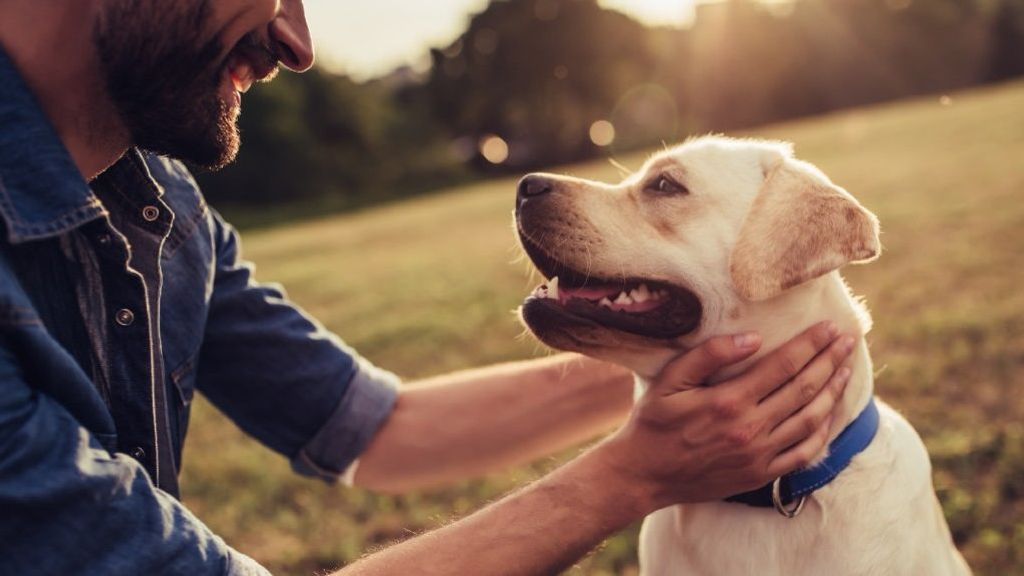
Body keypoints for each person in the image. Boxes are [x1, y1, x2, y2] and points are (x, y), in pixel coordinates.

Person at [0, 1, 856, 574]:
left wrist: (713, 357)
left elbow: (382, 430)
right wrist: (629, 478)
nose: (296, 43)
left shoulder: (159, 209)